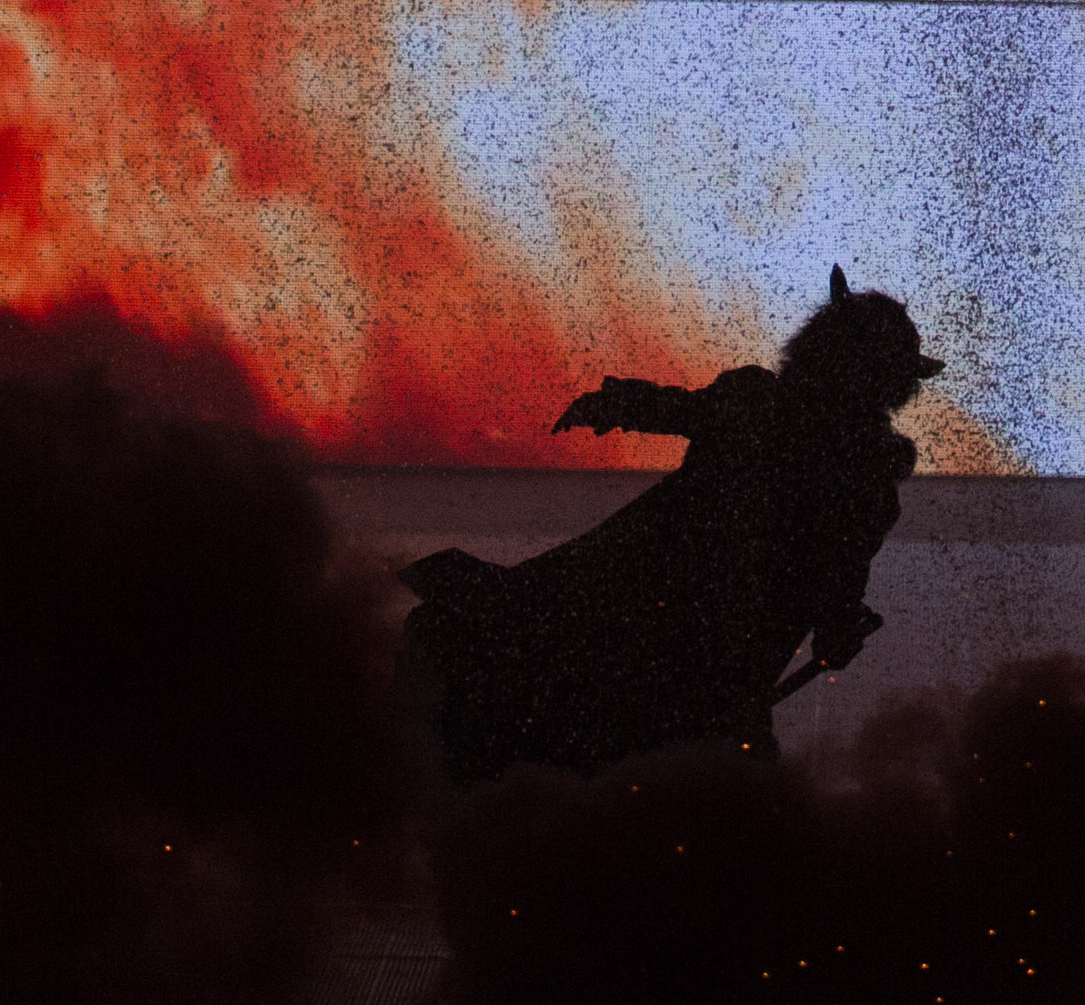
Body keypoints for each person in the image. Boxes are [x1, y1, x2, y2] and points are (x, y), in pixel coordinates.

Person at [397, 273, 940, 784]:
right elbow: (838, 583)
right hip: (676, 627)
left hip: (673, 626)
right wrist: (838, 628)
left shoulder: (793, 428)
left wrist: (618, 404)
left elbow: (837, 580)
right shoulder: (850, 464)